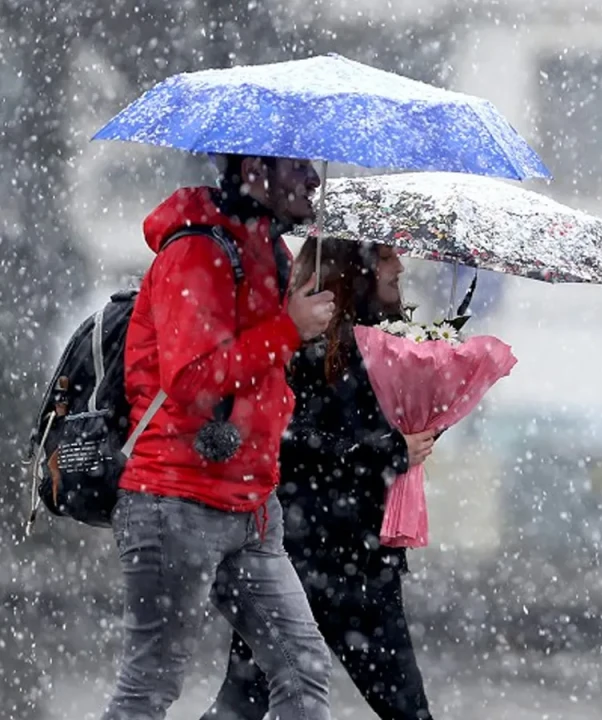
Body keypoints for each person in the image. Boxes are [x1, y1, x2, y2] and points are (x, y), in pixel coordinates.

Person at [103, 154, 337, 720]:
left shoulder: (270, 252)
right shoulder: (198, 251)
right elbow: (191, 379)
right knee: (149, 688)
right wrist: (289, 328)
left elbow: (263, 373)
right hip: (175, 500)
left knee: (304, 669)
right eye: (296, 166)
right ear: (255, 169)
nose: (314, 178)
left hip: (253, 505)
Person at [203, 236, 437, 720]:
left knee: (244, 705)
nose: (400, 266)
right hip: (305, 556)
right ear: (358, 267)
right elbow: (292, 440)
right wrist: (389, 451)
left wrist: (426, 423)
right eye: (389, 255)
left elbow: (372, 439)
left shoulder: (391, 344)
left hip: (361, 559)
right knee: (242, 703)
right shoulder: (304, 344)